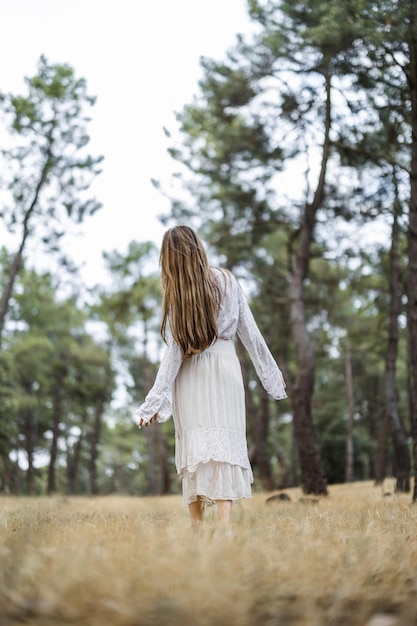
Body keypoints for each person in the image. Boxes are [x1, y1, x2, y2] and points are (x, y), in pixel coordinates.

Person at [136, 225, 287, 528]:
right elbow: (251, 334)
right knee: (224, 443)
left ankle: (197, 527)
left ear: (169, 261)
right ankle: (225, 524)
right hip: (225, 369)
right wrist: (272, 379)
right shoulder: (227, 281)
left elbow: (173, 354)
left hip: (190, 375)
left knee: (195, 446)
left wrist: (153, 401)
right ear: (199, 248)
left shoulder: (177, 296)